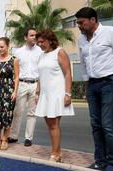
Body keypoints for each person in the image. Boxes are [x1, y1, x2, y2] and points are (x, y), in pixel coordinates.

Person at [76, 7, 113, 171]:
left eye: (81, 22)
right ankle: (99, 161)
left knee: (107, 125)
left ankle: (112, 163)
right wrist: (86, 87)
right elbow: (83, 64)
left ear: (93, 20)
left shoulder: (111, 32)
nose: (79, 26)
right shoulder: (82, 40)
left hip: (109, 83)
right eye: (78, 23)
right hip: (92, 85)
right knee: (95, 124)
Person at [35, 30, 74, 162]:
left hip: (57, 93)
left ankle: (55, 153)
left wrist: (68, 94)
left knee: (53, 123)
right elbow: (40, 76)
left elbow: (68, 73)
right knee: (50, 123)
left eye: (42, 41)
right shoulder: (41, 56)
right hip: (45, 94)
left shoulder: (60, 52)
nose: (40, 44)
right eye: (38, 42)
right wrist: (37, 92)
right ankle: (58, 152)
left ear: (51, 40)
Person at [8, 28, 42, 147]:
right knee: (18, 111)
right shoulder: (18, 52)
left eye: (35, 35)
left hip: (35, 84)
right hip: (22, 84)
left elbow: (42, 70)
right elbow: (14, 71)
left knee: (32, 113)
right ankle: (13, 136)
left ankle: (28, 138)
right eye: (31, 35)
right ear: (25, 37)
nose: (34, 37)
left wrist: (39, 88)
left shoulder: (40, 51)